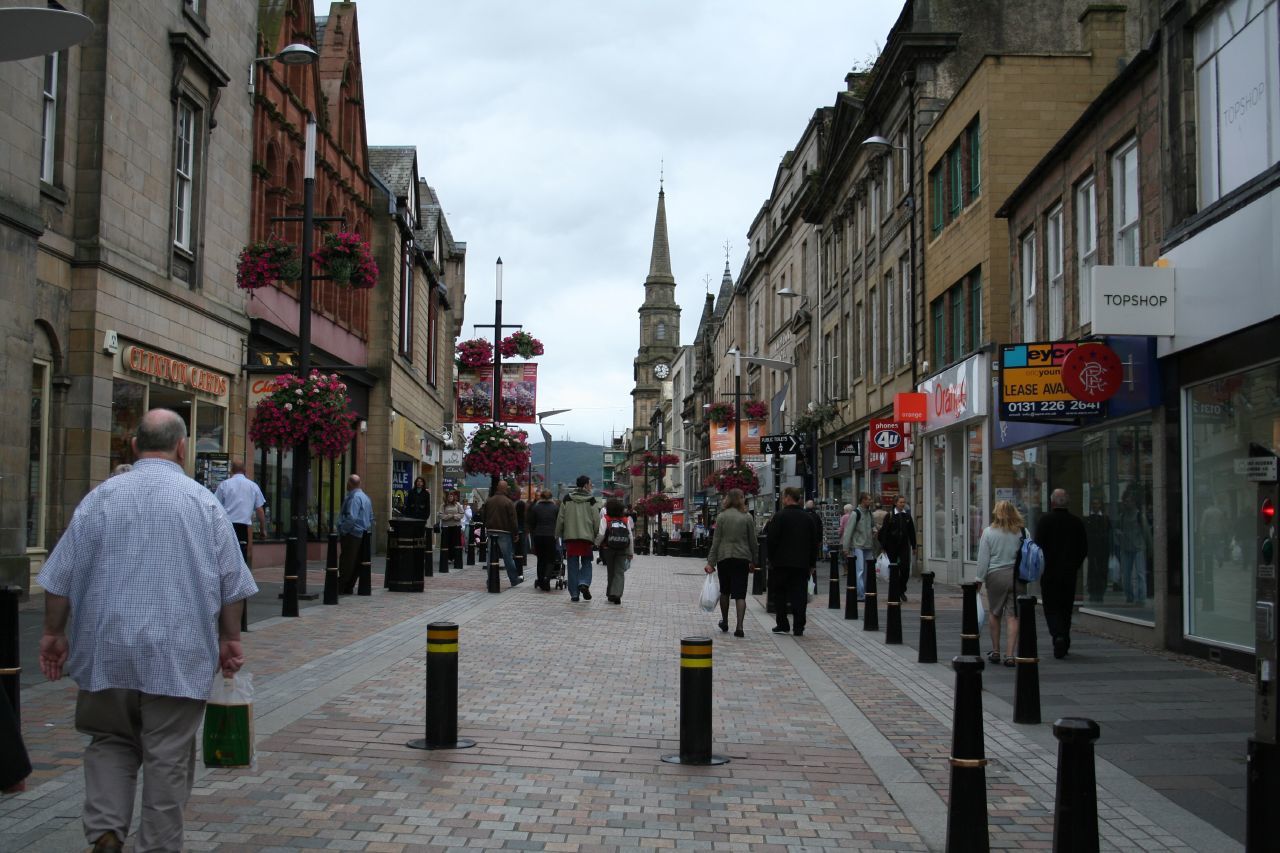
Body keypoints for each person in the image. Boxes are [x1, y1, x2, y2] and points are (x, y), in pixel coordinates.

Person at [36, 408, 257, 852]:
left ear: (134, 445)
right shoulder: (203, 502)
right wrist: (229, 638)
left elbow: (58, 578)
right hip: (177, 653)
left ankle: (105, 830)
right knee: (168, 757)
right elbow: (232, 584)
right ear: (182, 447)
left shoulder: (100, 498)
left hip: (106, 650)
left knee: (110, 742)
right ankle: (156, 846)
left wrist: (53, 633)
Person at [1035, 488, 1089, 659]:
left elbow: (1037, 547)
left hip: (1050, 572)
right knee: (1066, 607)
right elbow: (1083, 548)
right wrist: (1075, 565)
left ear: (1052, 503)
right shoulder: (1076, 522)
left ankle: (1057, 634)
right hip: (1069, 573)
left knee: (1051, 607)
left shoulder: (1045, 521)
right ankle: (1064, 636)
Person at [975, 499, 1025, 667]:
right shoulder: (1023, 532)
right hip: (1017, 577)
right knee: (1013, 616)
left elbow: (983, 559)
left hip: (995, 575)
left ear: (996, 512)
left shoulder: (988, 532)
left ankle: (996, 651)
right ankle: (1010, 655)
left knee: (995, 613)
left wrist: (979, 579)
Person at [704, 488, 758, 637]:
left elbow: (716, 541)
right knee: (740, 594)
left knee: (725, 591)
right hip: (742, 559)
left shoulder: (721, 517)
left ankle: (725, 621)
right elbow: (753, 541)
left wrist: (711, 562)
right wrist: (754, 560)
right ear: (740, 499)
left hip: (724, 558)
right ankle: (739, 627)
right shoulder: (747, 517)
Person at [767, 487, 821, 636]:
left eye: (784, 497)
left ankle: (783, 624)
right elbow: (813, 543)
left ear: (789, 497)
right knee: (799, 595)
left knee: (780, 594)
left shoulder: (779, 516)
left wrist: (771, 559)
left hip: (781, 563)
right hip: (801, 563)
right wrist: (812, 564)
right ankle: (799, 626)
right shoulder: (808, 518)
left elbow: (771, 540)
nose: (783, 500)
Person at [555, 475, 599, 601]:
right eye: (590, 485)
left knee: (572, 564)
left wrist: (557, 534)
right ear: (585, 485)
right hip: (586, 538)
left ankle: (574, 593)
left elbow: (560, 518)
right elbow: (596, 520)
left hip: (571, 537)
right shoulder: (591, 500)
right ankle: (584, 582)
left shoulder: (567, 498)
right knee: (586, 562)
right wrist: (596, 536)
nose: (591, 487)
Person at [214, 459, 268, 562]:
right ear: (244, 470)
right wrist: (262, 529)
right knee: (241, 557)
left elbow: (215, 505)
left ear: (231, 470)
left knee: (226, 557)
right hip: (243, 527)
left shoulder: (224, 485)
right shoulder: (253, 486)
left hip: (227, 525)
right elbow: (260, 510)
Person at [481, 481, 523, 587]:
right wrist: (515, 533)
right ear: (504, 489)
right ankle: (513, 579)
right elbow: (513, 520)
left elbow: (483, 515)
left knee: (490, 556)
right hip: (504, 532)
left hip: (491, 531)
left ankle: (490, 579)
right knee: (507, 557)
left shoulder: (489, 501)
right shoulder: (508, 502)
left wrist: (487, 525)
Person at [337, 474, 374, 594]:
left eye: (348, 482)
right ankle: (349, 586)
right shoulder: (365, 497)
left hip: (352, 534)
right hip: (362, 533)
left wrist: (343, 530)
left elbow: (351, 517)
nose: (346, 484)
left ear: (350, 484)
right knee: (356, 561)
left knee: (347, 561)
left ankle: (342, 586)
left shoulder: (354, 498)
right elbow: (371, 517)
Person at [879, 495, 918, 602]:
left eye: (904, 502)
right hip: (891, 546)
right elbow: (885, 532)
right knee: (893, 569)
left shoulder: (907, 516)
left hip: (904, 546)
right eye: (900, 502)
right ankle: (894, 591)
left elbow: (912, 532)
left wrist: (914, 546)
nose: (902, 504)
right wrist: (883, 546)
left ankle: (901, 590)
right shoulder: (890, 515)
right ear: (895, 503)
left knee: (905, 569)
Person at [595, 498, 635, 604]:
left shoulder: (606, 519)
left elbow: (602, 534)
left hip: (609, 548)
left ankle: (610, 594)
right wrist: (630, 552)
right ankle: (617, 594)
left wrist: (596, 544)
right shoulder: (625, 520)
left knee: (611, 572)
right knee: (619, 572)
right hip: (622, 548)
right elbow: (630, 537)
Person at [840, 492, 874, 601]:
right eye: (868, 499)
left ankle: (864, 592)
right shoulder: (855, 513)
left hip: (868, 545)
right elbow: (848, 531)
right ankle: (860, 594)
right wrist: (845, 548)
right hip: (858, 545)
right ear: (863, 500)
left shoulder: (869, 513)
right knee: (860, 570)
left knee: (867, 570)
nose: (870, 501)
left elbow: (872, 526)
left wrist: (875, 530)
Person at [527, 490, 560, 590]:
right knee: (550, 559)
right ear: (551, 497)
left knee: (540, 559)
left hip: (538, 535)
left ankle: (541, 580)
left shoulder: (536, 508)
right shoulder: (555, 508)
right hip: (551, 535)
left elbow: (531, 523)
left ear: (541, 497)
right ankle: (547, 578)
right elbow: (558, 522)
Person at [1083, 498, 1113, 603]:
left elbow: (1108, 534)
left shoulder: (1105, 518)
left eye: (1097, 504)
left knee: (1101, 571)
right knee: (1092, 571)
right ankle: (1092, 592)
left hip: (1103, 549)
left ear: (1100, 505)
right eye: (1094, 504)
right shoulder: (1088, 519)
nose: (1096, 506)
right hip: (1092, 549)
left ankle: (1100, 593)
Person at [437, 489, 466, 570]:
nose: (450, 498)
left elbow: (462, 513)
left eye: (451, 496)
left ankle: (454, 557)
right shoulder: (443, 505)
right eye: (449, 496)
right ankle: (447, 557)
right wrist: (448, 516)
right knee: (446, 542)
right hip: (446, 526)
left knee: (455, 542)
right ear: (447, 497)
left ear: (453, 497)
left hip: (456, 526)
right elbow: (440, 515)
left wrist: (455, 516)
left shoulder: (457, 505)